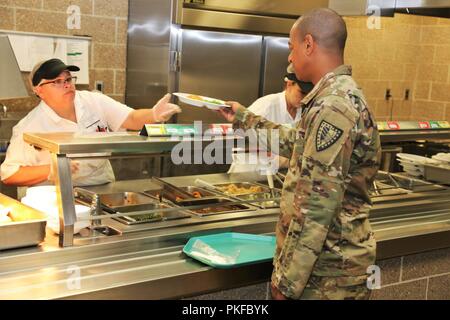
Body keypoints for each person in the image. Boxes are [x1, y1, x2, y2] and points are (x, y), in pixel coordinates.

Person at [218, 8, 381, 300]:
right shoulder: (332, 97)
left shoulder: (333, 106)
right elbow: (297, 142)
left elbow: (316, 205)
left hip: (326, 276)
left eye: (292, 48)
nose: (290, 58)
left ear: (309, 44)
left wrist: (288, 282)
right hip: (328, 270)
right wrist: (245, 117)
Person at [1, 58, 181, 189]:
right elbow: (8, 174)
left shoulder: (93, 101)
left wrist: (153, 114)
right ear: (39, 90)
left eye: (69, 79)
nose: (67, 85)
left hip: (102, 187)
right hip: (54, 195)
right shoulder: (29, 126)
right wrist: (51, 170)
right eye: (57, 82)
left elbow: (131, 118)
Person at [228, 69, 313, 178]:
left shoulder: (303, 111)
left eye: (309, 94)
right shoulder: (267, 105)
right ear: (289, 84)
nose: (305, 98)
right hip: (248, 173)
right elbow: (239, 139)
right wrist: (268, 149)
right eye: (302, 93)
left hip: (273, 175)